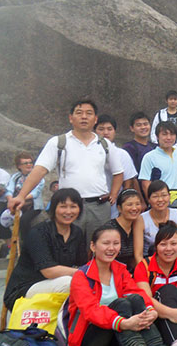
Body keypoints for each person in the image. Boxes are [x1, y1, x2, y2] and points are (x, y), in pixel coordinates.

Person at [67, 224, 177, 346]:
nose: (111, 248)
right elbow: (91, 311)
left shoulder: (120, 270)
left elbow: (136, 292)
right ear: (93, 246)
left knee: (135, 299)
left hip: (115, 339)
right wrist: (123, 323)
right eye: (106, 243)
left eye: (116, 243)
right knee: (121, 304)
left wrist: (150, 310)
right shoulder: (81, 277)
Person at [7, 100, 124, 244]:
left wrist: (113, 194)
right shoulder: (58, 142)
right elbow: (40, 170)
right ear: (70, 118)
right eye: (79, 113)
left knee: (98, 246)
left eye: (89, 113)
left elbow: (118, 172)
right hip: (69, 206)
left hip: (99, 206)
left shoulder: (105, 144)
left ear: (95, 119)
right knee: (67, 246)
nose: (84, 117)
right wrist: (21, 196)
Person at [3, 188, 87, 311]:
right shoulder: (38, 232)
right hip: (27, 287)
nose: (68, 211)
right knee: (70, 283)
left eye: (73, 206)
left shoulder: (77, 232)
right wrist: (82, 272)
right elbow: (49, 271)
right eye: (63, 206)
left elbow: (82, 262)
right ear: (54, 209)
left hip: (54, 282)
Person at [95, 114, 142, 217]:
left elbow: (128, 183)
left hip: (115, 207)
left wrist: (122, 205)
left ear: (115, 132)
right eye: (101, 129)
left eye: (109, 129)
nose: (105, 132)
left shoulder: (122, 154)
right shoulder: (89, 153)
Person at [139, 122, 177, 209]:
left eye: (172, 134)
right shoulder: (149, 157)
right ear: (157, 136)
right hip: (160, 201)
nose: (169, 138)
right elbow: (145, 183)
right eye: (164, 134)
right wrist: (153, 202)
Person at [4, 152, 44, 244]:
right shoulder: (15, 177)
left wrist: (20, 198)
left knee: (23, 221)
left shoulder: (38, 177)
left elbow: (35, 193)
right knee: (2, 218)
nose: (29, 165)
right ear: (19, 166)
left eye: (30, 162)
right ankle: (9, 243)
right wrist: (10, 199)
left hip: (33, 206)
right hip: (18, 204)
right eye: (26, 163)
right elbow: (9, 189)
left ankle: (27, 243)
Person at [103, 189, 146, 272]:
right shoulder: (110, 228)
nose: (134, 208)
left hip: (132, 272)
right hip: (111, 271)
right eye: (129, 204)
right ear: (119, 208)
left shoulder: (139, 225)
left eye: (137, 204)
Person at [142, 180, 177, 256]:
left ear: (169, 196)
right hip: (149, 258)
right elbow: (138, 254)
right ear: (148, 199)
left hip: (172, 257)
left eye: (164, 195)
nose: (160, 200)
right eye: (155, 196)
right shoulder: (141, 219)